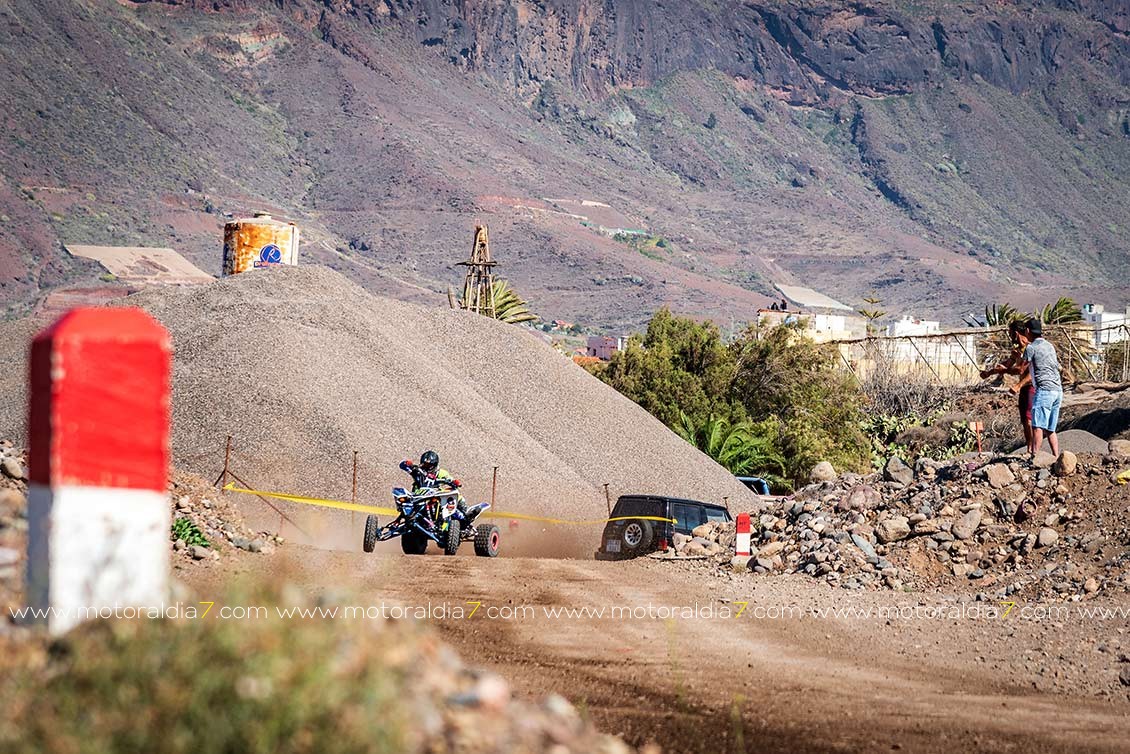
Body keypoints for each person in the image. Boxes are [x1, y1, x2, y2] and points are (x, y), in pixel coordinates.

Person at [981, 321, 1033, 453]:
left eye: (1010, 333)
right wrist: (989, 372)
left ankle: (1035, 449)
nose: (1009, 336)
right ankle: (1029, 448)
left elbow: (1022, 370)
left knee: (1030, 420)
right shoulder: (1018, 350)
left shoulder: (1030, 348)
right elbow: (1007, 364)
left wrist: (1016, 383)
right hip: (1023, 388)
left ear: (1016, 333)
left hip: (1031, 386)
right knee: (1024, 420)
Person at [1014, 318, 1063, 459]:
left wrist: (1017, 357)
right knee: (1050, 429)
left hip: (1044, 390)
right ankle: (1056, 457)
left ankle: (1034, 457)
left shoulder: (1031, 348)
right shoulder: (1049, 346)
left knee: (1037, 426)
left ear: (1028, 331)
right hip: (1057, 390)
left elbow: (1021, 369)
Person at [399, 450, 480, 529]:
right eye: (424, 464)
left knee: (454, 494)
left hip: (434, 493)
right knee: (404, 499)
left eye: (429, 465)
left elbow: (449, 479)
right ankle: (403, 520)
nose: (426, 467)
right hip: (418, 495)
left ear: (434, 465)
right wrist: (407, 464)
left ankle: (464, 514)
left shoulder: (441, 473)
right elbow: (402, 466)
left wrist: (454, 482)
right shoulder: (417, 471)